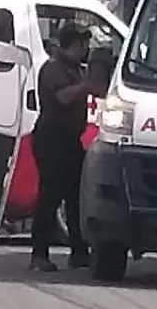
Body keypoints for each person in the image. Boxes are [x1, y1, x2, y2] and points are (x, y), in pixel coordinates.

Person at [30, 22, 103, 272]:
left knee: (75, 197)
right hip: (52, 138)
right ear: (71, 44)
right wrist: (85, 87)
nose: (84, 50)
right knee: (51, 196)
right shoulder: (53, 69)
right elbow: (61, 97)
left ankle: (79, 251)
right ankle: (39, 254)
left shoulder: (74, 68)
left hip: (70, 140)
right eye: (81, 45)